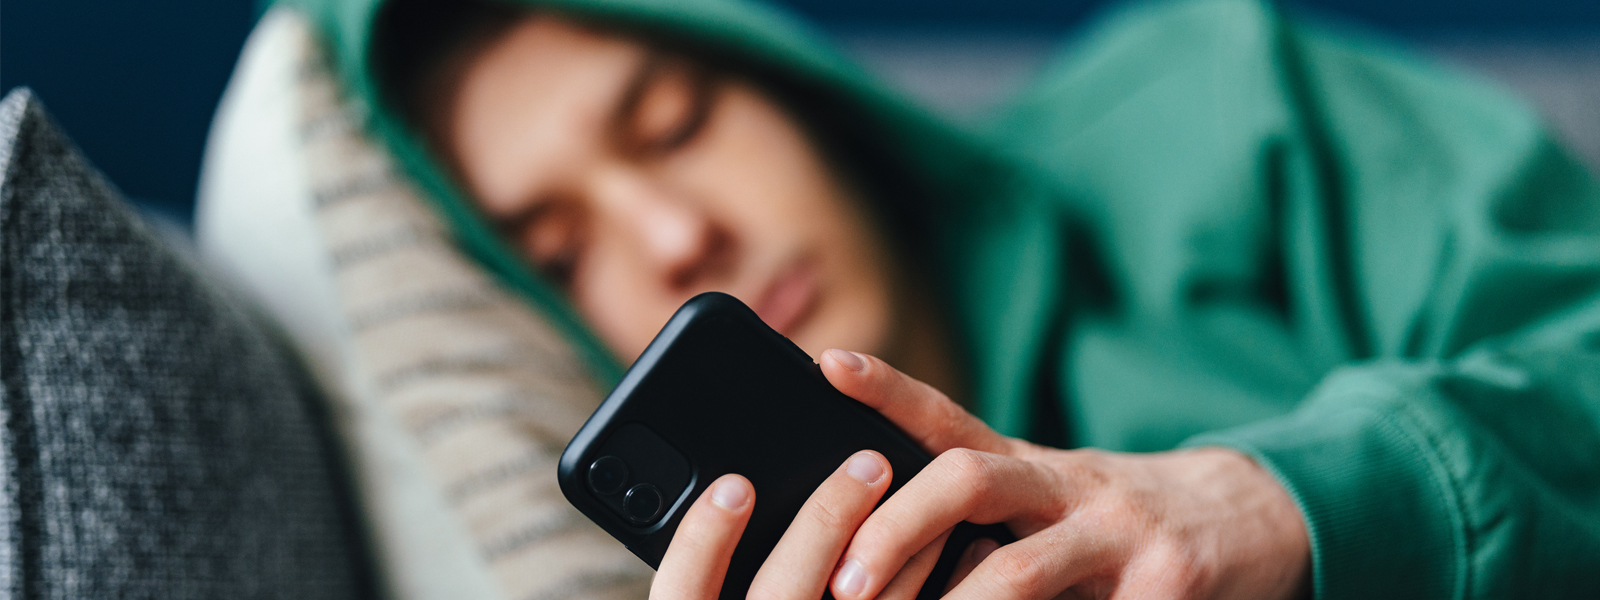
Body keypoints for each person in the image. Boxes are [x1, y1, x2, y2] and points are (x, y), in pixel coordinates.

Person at [285, 0, 1600, 597]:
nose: (678, 233)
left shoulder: (1226, 102)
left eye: (674, 118)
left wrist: (1280, 503)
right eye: (563, 255)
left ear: (779, 76)